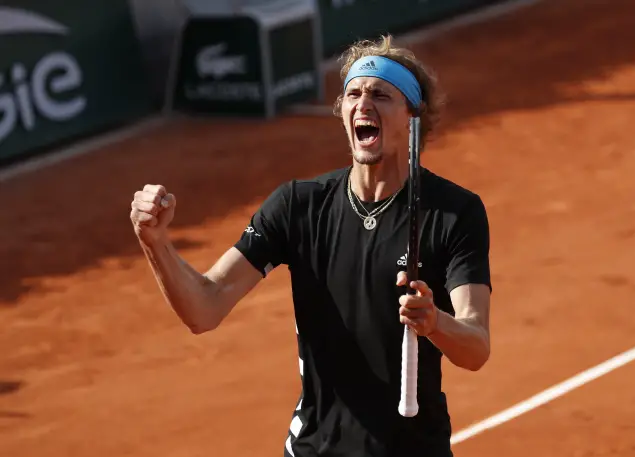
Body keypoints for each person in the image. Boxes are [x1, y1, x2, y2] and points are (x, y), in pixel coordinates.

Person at [129, 35, 492, 457]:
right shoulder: (298, 206)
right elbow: (204, 307)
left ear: (413, 117)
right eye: (353, 94)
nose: (363, 103)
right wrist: (155, 243)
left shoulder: (453, 213)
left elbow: (476, 347)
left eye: (381, 95)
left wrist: (435, 323)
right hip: (315, 449)